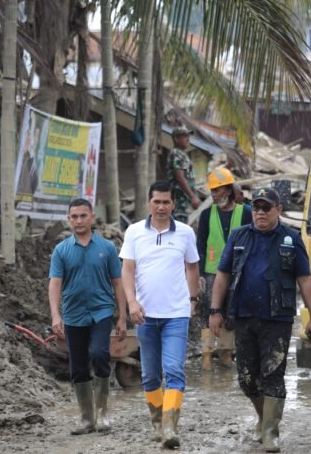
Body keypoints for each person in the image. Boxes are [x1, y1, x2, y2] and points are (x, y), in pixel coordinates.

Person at [208, 187, 311, 453]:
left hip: (277, 319)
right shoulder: (239, 236)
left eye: (266, 208)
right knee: (247, 378)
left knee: (273, 375)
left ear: (278, 210)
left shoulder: (291, 239)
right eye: (256, 207)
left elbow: (305, 280)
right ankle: (263, 417)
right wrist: (214, 311)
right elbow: (222, 276)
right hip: (244, 317)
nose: (260, 212)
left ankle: (271, 433)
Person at [120, 181, 200, 449]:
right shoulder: (133, 232)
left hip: (176, 314)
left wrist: (192, 299)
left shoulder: (186, 233)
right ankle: (156, 421)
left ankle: (169, 427)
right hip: (145, 315)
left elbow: (192, 267)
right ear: (148, 203)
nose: (162, 207)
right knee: (151, 375)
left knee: (175, 370)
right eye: (157, 201)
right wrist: (132, 303)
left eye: (167, 202)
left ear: (173, 204)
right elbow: (127, 271)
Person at [48, 199, 127, 435]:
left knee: (100, 353)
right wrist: (55, 315)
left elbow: (118, 283)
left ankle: (102, 413)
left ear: (92, 217)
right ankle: (86, 419)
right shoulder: (61, 250)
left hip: (101, 311)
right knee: (78, 367)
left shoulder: (107, 248)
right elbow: (55, 284)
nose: (79, 221)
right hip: (73, 315)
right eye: (74, 217)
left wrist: (122, 316)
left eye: (83, 216)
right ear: (68, 219)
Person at [196, 166, 252, 370]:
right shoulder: (205, 216)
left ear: (227, 191)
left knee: (231, 314)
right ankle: (207, 357)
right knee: (208, 313)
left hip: (238, 272)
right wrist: (200, 274)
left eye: (217, 190)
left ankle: (226, 355)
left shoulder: (245, 213)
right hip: (212, 272)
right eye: (212, 191)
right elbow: (200, 246)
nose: (213, 194)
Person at [166, 126, 200, 223]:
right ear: (176, 139)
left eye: (188, 136)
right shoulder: (176, 153)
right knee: (179, 227)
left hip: (183, 200)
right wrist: (192, 196)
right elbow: (179, 177)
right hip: (179, 200)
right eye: (185, 136)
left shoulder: (182, 154)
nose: (188, 139)